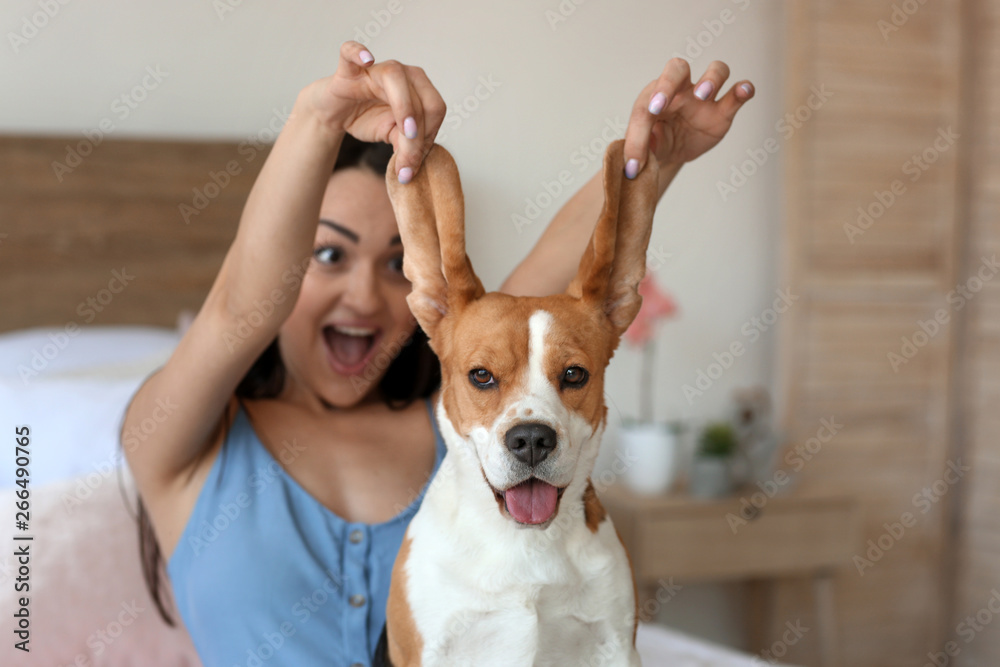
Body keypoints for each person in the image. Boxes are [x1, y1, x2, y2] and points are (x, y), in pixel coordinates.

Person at [122, 40, 754, 666]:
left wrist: (653, 163)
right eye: (328, 255)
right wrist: (318, 119)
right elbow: (240, 308)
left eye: (398, 262)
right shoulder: (179, 442)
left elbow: (556, 313)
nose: (366, 295)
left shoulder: (463, 418)